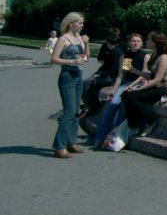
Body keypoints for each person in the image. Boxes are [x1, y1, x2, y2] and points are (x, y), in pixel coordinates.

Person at [95, 33, 147, 146]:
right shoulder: (126, 56)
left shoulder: (144, 56)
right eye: (133, 41)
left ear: (142, 43)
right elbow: (121, 75)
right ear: (129, 43)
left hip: (137, 84)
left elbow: (144, 75)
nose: (135, 43)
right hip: (125, 83)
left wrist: (133, 80)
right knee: (112, 106)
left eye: (138, 41)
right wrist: (114, 89)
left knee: (123, 109)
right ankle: (100, 137)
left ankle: (115, 137)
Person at [49, 12, 89, 158]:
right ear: (71, 23)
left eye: (82, 23)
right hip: (67, 77)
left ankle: (71, 142)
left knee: (76, 111)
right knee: (69, 111)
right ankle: (59, 147)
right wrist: (72, 62)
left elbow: (86, 57)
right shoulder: (63, 39)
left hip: (78, 76)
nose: (82, 25)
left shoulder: (79, 38)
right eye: (79, 23)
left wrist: (86, 43)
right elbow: (54, 59)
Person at [122, 31, 167, 137]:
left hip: (165, 88)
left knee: (133, 97)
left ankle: (149, 122)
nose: (146, 41)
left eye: (148, 40)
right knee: (125, 94)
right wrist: (134, 70)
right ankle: (134, 126)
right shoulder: (153, 55)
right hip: (154, 85)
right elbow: (148, 75)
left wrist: (137, 89)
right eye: (133, 41)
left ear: (155, 42)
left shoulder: (164, 57)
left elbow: (157, 80)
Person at [81, 31, 123, 118]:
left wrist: (101, 74)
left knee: (87, 83)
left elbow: (116, 69)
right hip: (107, 73)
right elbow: (100, 59)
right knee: (88, 83)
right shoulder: (115, 51)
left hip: (111, 76)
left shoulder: (117, 52)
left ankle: (91, 106)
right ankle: (90, 105)